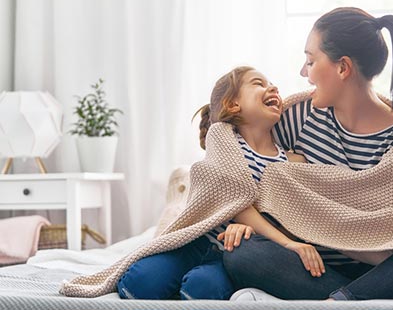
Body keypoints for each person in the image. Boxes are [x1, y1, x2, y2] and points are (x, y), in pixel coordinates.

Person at [223, 7, 393, 301]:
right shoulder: (300, 116)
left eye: (310, 61)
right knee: (243, 254)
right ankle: (349, 301)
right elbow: (240, 163)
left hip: (379, 271)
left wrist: (330, 221)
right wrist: (243, 220)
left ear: (342, 68)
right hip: (311, 267)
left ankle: (339, 301)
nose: (303, 72)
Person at [115, 66, 325, 300]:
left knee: (201, 289)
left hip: (232, 254)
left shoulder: (292, 161)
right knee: (139, 283)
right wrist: (285, 243)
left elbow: (295, 217)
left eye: (272, 84)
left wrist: (257, 235)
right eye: (259, 83)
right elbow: (233, 197)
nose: (273, 88)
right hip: (196, 243)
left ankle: (184, 289)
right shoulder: (223, 138)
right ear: (233, 105)